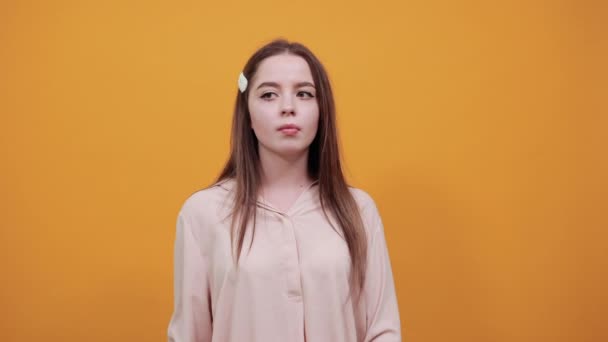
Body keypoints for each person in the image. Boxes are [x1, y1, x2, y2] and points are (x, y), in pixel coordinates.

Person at [167, 38, 401, 342]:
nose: (288, 108)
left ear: (321, 110)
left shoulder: (358, 209)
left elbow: (382, 330)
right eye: (268, 95)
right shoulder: (204, 213)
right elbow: (189, 334)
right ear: (247, 113)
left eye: (304, 94)